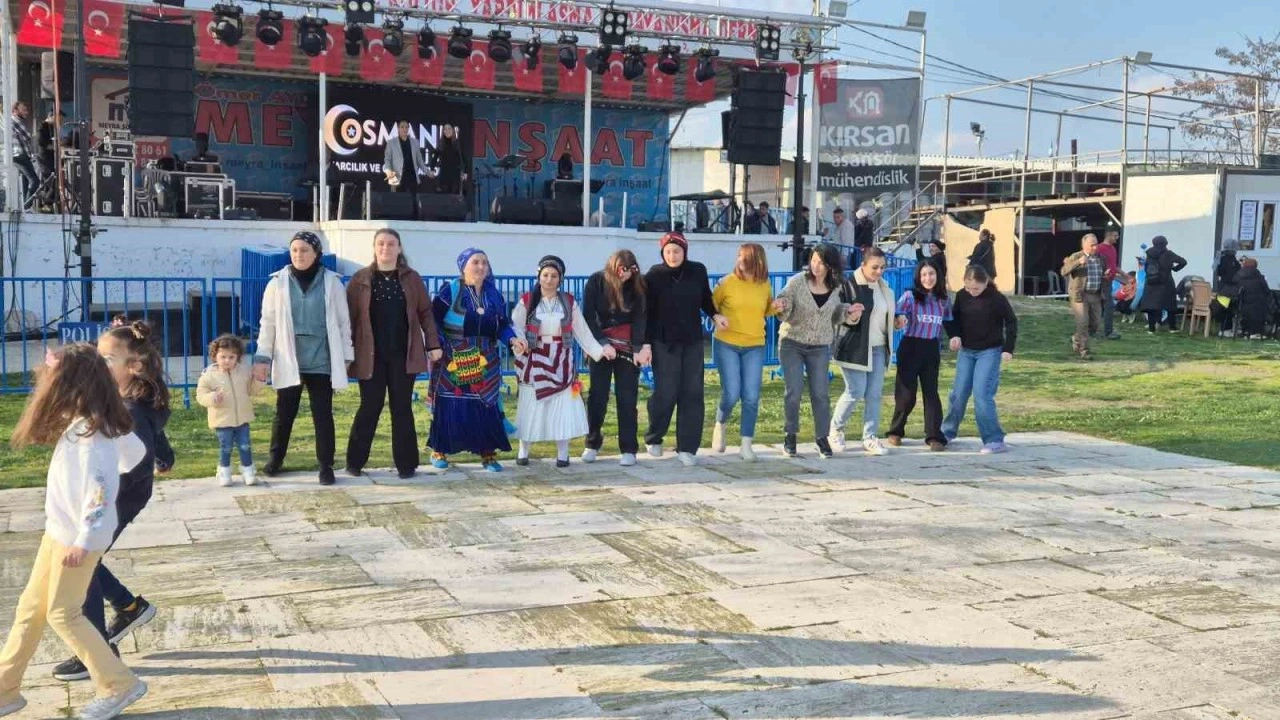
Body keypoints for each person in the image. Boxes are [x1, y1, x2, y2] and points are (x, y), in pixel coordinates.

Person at [1, 344, 149, 720]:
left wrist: (84, 540)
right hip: (59, 533)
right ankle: (5, 689)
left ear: (73, 386)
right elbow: (134, 453)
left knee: (63, 613)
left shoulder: (92, 436)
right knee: (31, 609)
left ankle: (118, 684)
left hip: (78, 541)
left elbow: (101, 492)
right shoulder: (92, 423)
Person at [51, 322, 169, 686]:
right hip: (115, 496)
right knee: (86, 559)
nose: (99, 364)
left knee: (83, 562)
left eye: (107, 359)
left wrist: (101, 500)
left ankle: (98, 650)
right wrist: (165, 454)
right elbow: (152, 434)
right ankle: (129, 607)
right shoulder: (129, 392)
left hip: (117, 499)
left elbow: (137, 456)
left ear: (134, 366)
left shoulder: (132, 405)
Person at [254, 231, 353, 485]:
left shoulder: (332, 283)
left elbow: (343, 323)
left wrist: (346, 355)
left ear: (316, 253)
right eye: (295, 250)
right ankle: (275, 460)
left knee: (323, 415)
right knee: (284, 414)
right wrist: (262, 358)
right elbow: (268, 323)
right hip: (290, 358)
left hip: (321, 359)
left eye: (305, 250)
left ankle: (325, 466)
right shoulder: (277, 283)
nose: (299, 255)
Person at [346, 229, 442, 479]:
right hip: (370, 357)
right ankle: (354, 462)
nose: (385, 248)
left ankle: (406, 465)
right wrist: (346, 352)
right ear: (374, 247)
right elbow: (348, 319)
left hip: (403, 355)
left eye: (391, 244)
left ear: (399, 248)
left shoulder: (412, 279)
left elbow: (425, 313)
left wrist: (432, 344)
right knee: (370, 406)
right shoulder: (360, 279)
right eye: (381, 243)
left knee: (402, 408)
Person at [428, 248, 527, 472]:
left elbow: (502, 324)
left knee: (485, 403)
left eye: (484, 262)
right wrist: (438, 345)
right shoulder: (451, 290)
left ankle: (487, 453)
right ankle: (439, 449)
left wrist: (512, 339)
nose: (481, 267)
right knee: (452, 404)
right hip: (454, 357)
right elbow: (433, 320)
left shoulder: (493, 294)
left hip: (485, 358)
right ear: (463, 266)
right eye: (475, 262)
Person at [512, 255, 614, 467]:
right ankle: (523, 451)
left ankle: (563, 453)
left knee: (563, 405)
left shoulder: (568, 302)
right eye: (545, 275)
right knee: (530, 403)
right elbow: (516, 326)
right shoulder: (527, 300)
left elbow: (582, 331)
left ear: (560, 279)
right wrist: (519, 343)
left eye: (554, 276)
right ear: (539, 276)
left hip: (561, 358)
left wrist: (599, 349)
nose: (549, 280)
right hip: (534, 356)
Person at [643, 231, 727, 466]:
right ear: (662, 253)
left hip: (691, 341)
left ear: (685, 251)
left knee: (692, 392)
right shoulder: (653, 276)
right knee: (666, 391)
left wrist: (715, 315)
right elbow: (646, 312)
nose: (673, 255)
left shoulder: (697, 270)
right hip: (663, 342)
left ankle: (688, 447)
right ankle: (654, 436)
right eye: (668, 252)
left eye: (677, 251)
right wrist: (646, 343)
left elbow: (705, 298)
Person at [774, 244, 858, 459]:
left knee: (820, 393)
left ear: (830, 265)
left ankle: (822, 437)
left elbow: (836, 314)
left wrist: (849, 312)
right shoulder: (797, 281)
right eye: (813, 260)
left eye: (821, 262)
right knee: (794, 390)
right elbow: (785, 302)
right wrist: (782, 306)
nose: (816, 266)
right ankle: (790, 435)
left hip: (820, 346)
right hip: (792, 342)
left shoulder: (837, 287)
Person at [582, 250, 650, 466]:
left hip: (627, 345)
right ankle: (592, 442)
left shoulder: (638, 286)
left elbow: (640, 317)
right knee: (598, 396)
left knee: (627, 397)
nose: (625, 277)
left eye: (629, 273)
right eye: (622, 272)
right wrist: (602, 343)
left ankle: (628, 448)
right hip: (601, 344)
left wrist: (639, 347)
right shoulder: (596, 282)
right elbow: (588, 316)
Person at [941, 266, 1018, 454]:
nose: (972, 292)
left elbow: (1011, 322)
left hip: (989, 352)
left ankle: (994, 439)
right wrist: (954, 335)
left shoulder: (997, 299)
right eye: (968, 288)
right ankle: (946, 432)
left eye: (976, 288)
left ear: (985, 283)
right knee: (958, 392)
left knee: (982, 394)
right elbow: (953, 319)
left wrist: (1008, 349)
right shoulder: (962, 296)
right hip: (967, 351)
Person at [711, 243, 774, 462]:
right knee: (731, 393)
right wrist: (717, 317)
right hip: (727, 343)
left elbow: (766, 308)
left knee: (751, 396)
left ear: (756, 261)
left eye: (744, 257)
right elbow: (711, 305)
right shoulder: (727, 282)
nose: (740, 260)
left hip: (754, 345)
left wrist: (777, 306)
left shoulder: (764, 284)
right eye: (738, 256)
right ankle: (720, 422)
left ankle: (746, 444)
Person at [831, 247, 895, 455]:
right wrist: (850, 315)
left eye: (882, 267)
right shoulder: (848, 286)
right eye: (875, 267)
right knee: (856, 390)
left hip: (878, 347)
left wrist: (896, 322)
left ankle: (870, 437)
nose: (879, 271)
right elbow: (836, 315)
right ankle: (835, 430)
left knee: (874, 394)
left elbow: (883, 316)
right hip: (853, 347)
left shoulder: (885, 288)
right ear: (863, 265)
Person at [886, 261, 953, 451]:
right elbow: (898, 313)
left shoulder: (944, 300)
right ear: (918, 277)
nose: (928, 278)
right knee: (906, 394)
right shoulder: (910, 296)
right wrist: (900, 318)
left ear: (938, 276)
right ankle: (895, 431)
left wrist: (956, 336)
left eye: (931, 274)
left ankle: (934, 436)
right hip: (911, 347)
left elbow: (949, 322)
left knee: (931, 393)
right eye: (924, 275)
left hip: (931, 348)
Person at [108, 315, 174, 474]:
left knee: (152, 435)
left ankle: (164, 460)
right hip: (135, 403)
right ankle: (164, 460)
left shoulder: (135, 409)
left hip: (142, 402)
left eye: (109, 358)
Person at [196, 334, 262, 487]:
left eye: (231, 357)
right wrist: (212, 398)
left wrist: (259, 380)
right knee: (225, 447)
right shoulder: (208, 376)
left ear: (238, 357)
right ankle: (224, 471)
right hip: (222, 419)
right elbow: (201, 395)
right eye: (223, 357)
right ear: (215, 356)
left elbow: (252, 390)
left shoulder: (244, 372)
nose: (227, 360)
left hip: (242, 418)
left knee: (245, 445)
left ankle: (248, 471)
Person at [1061, 234, 1106, 359]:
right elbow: (1064, 271)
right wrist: (1077, 263)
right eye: (1092, 245)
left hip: (1095, 294)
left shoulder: (1101, 258)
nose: (1095, 247)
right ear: (1084, 245)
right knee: (1083, 323)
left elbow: (1102, 272)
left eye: (1096, 244)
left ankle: (1077, 339)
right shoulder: (1076, 256)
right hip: (1080, 295)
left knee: (1095, 324)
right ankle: (1084, 350)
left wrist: (1105, 275)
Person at [1137, 235, 1187, 334]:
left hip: (1151, 282)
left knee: (1151, 306)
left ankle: (1151, 329)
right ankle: (1172, 328)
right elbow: (1183, 262)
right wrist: (1174, 269)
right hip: (1166, 283)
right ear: (1165, 243)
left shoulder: (1149, 253)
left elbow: (1146, 266)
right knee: (1170, 306)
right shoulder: (1169, 254)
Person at [383, 119, 427, 208]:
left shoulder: (415, 142)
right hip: (398, 178)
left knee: (414, 203)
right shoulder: (391, 143)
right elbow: (387, 160)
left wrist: (428, 172)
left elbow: (420, 161)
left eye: (406, 127)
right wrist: (389, 173)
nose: (404, 129)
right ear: (398, 128)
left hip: (412, 177)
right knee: (398, 204)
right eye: (402, 127)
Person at [1235, 257, 1272, 339]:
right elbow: (1267, 290)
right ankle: (1256, 332)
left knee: (1248, 312)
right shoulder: (1259, 276)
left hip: (1242, 305)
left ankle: (1245, 330)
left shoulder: (1238, 276)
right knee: (1265, 309)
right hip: (1258, 305)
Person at [10, 101, 38, 205]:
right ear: (15, 110)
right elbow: (27, 137)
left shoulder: (16, 121)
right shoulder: (14, 121)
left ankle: (25, 206)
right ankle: (27, 206)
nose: (26, 112)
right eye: (23, 110)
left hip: (19, 155)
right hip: (20, 155)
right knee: (34, 181)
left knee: (25, 182)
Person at [1097, 229, 1123, 339]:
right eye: (1115, 236)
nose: (1117, 238)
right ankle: (1108, 331)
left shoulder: (1113, 249)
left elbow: (1114, 266)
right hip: (1101, 281)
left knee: (1108, 306)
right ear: (1108, 236)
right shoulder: (1099, 248)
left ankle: (1107, 330)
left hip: (1109, 281)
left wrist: (1125, 275)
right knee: (1107, 305)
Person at [1215, 239, 1242, 336]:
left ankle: (1225, 329)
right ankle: (1226, 330)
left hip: (1222, 287)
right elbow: (1233, 275)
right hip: (1229, 288)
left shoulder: (1220, 257)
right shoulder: (1231, 260)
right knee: (1228, 308)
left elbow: (1218, 271)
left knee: (1224, 307)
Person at [434, 124, 465, 195]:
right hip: (444, 174)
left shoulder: (457, 143)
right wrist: (432, 168)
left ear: (453, 130)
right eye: (445, 129)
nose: (447, 131)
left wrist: (465, 172)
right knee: (444, 195)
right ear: (443, 131)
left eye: (449, 128)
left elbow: (463, 158)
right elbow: (435, 157)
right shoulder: (441, 143)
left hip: (455, 175)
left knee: (454, 195)